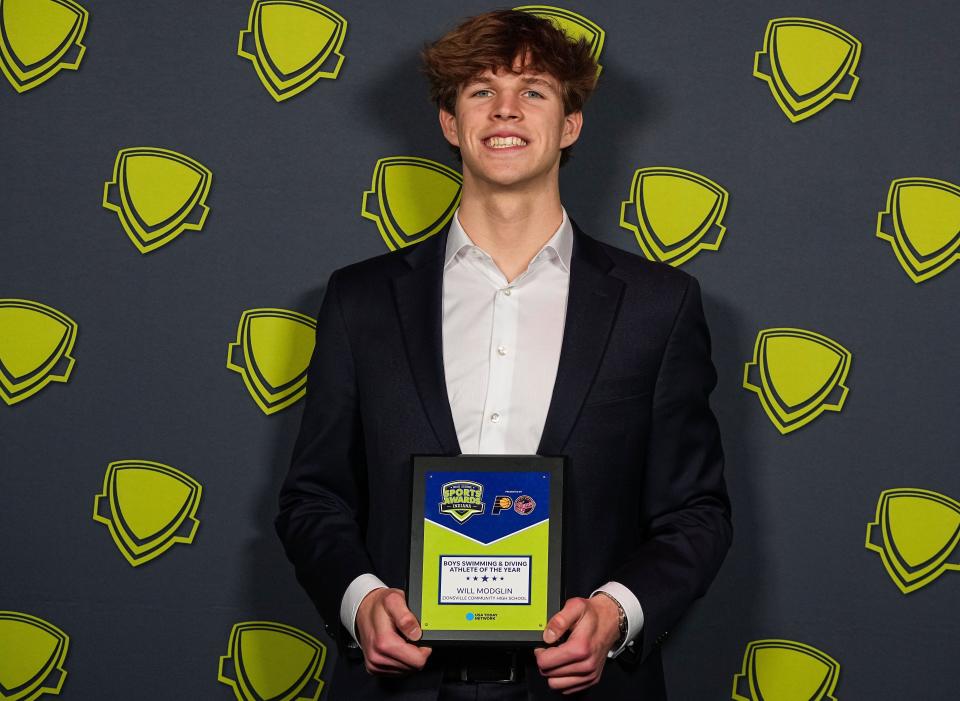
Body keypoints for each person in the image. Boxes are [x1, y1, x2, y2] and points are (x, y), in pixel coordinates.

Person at [276, 9, 731, 700]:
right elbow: (314, 497)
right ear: (450, 123)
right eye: (481, 90)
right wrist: (360, 600)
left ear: (571, 125)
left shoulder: (656, 305)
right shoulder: (360, 300)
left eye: (535, 90)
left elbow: (696, 512)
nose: (506, 109)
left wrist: (615, 613)